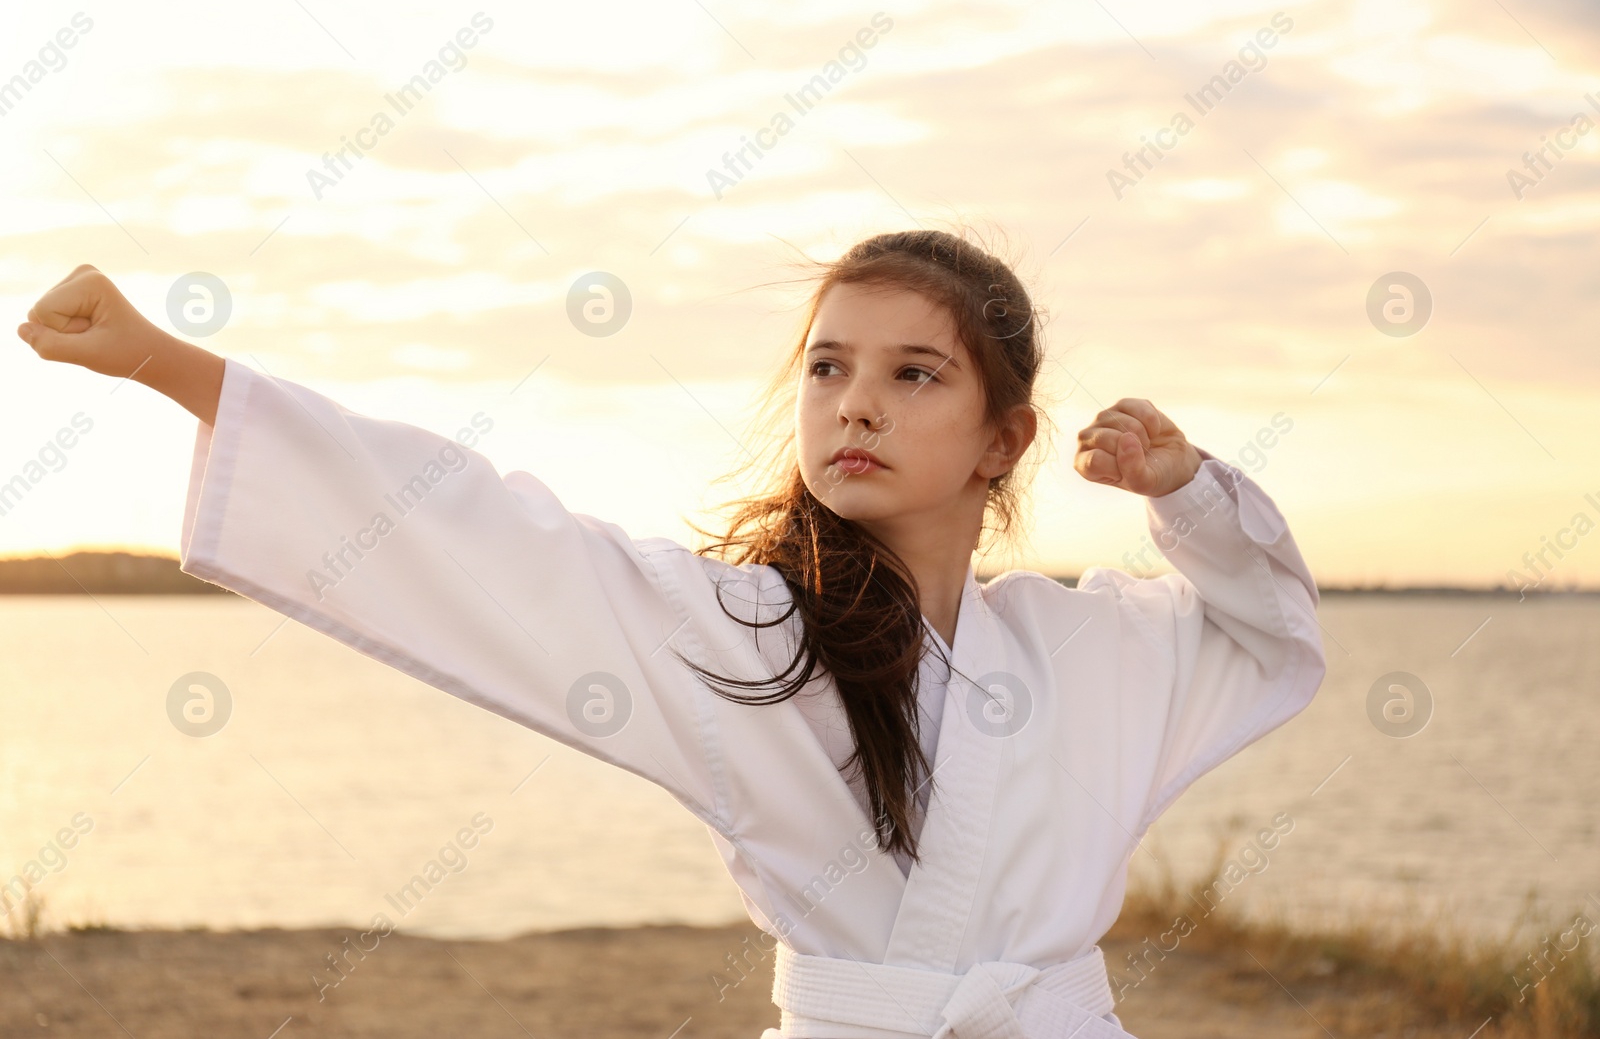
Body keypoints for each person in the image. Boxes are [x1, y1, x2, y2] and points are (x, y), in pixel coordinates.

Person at [15, 230, 1326, 1038]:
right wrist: (166, 364)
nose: (854, 404)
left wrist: (1192, 493)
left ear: (1005, 437)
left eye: (910, 373)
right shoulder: (744, 636)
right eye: (828, 367)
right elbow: (491, 538)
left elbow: (1267, 636)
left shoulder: (1086, 655)